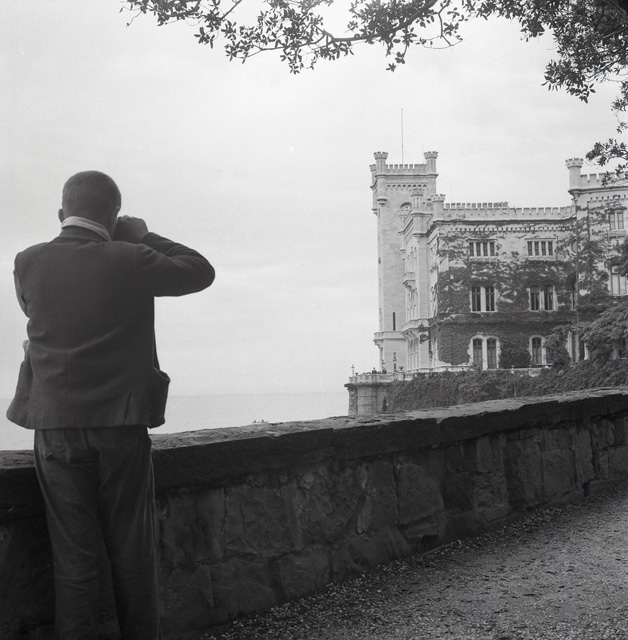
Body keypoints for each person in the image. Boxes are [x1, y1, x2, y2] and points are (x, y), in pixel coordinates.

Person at [7, 171, 215, 639]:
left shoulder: (27, 261)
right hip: (120, 426)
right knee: (132, 556)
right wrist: (142, 235)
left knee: (73, 561)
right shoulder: (131, 256)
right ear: (115, 217)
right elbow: (200, 270)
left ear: (61, 214)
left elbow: (39, 312)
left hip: (54, 427)